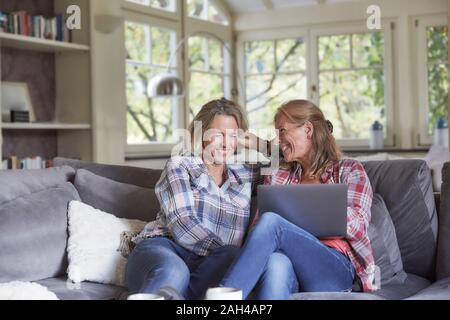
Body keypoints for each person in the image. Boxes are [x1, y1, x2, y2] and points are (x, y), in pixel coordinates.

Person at [124, 98, 297, 300]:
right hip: (164, 247)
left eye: (232, 136)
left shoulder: (244, 173)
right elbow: (183, 222)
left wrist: (262, 144)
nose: (226, 143)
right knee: (175, 272)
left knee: (231, 258)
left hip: (213, 264)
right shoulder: (181, 165)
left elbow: (288, 160)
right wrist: (230, 252)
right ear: (201, 135)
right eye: (218, 134)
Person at [220, 99, 376, 299]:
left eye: (282, 131)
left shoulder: (349, 170)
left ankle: (223, 299)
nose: (277, 141)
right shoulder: (280, 174)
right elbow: (260, 230)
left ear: (308, 129)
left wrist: (313, 207)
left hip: (334, 267)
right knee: (276, 262)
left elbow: (359, 224)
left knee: (273, 222)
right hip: (289, 264)